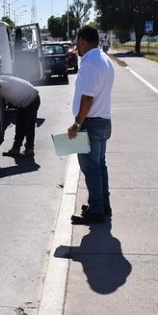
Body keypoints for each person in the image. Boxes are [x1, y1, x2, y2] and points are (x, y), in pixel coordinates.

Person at [68, 25, 115, 224]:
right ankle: (103, 204)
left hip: (90, 123)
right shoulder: (104, 59)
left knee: (90, 168)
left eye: (77, 42)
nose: (76, 46)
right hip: (104, 121)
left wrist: (77, 124)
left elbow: (87, 98)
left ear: (83, 41)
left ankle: (96, 210)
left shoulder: (89, 65)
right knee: (100, 165)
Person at [0, 72, 40, 157]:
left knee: (28, 126)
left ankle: (29, 149)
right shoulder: (2, 83)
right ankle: (16, 149)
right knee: (20, 126)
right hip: (26, 101)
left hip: (31, 100)